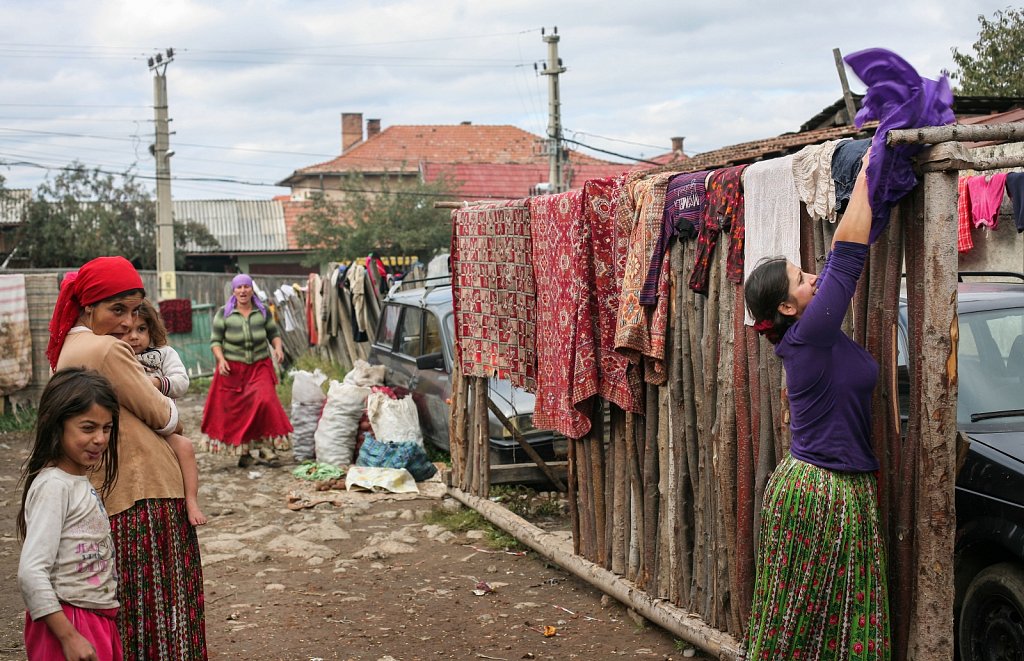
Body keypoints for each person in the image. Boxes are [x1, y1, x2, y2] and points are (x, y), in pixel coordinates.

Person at [741, 152, 889, 659]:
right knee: (811, 621)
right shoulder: (812, 334)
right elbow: (846, 256)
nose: (814, 280)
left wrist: (875, 191)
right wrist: (869, 170)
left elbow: (841, 257)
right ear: (787, 306)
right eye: (803, 279)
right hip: (822, 495)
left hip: (833, 487)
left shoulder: (808, 337)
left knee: (817, 622)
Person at [45, 256, 207, 659]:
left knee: (131, 606)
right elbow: (165, 414)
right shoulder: (107, 350)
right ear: (88, 308)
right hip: (144, 491)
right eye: (116, 309)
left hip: (115, 490)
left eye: (135, 311)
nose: (126, 322)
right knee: (159, 606)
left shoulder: (72, 345)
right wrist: (169, 414)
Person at [17, 368, 122, 661]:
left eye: (107, 428)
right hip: (70, 620)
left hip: (94, 616)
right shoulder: (54, 486)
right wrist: (68, 636)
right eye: (88, 428)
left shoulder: (75, 482)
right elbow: (31, 572)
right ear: (56, 425)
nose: (100, 439)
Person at [125, 299, 207, 526]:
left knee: (186, 447)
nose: (134, 337)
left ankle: (191, 500)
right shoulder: (117, 355)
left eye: (141, 329)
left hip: (162, 425)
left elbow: (181, 382)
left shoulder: (164, 354)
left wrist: (158, 383)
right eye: (127, 331)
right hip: (130, 426)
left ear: (152, 328)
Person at [201, 273, 292, 468]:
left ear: (252, 289)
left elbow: (273, 334)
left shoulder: (262, 311)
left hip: (259, 365)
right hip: (233, 370)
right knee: (239, 412)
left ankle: (268, 448)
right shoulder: (224, 313)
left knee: (265, 401)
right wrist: (221, 359)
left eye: (246, 287)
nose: (243, 291)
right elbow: (215, 341)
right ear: (233, 291)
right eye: (239, 287)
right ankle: (245, 453)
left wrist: (277, 347)